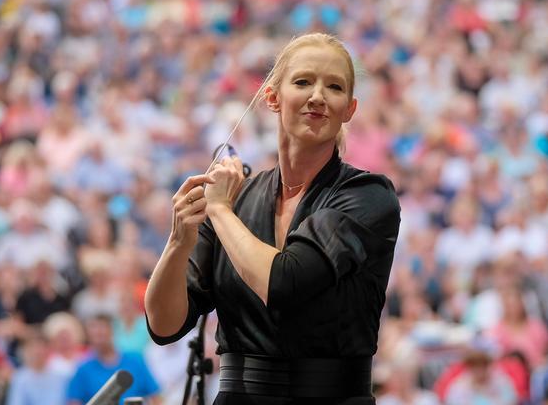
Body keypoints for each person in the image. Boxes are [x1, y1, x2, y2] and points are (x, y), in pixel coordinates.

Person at [144, 33, 401, 404]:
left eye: (334, 87)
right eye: (303, 82)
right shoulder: (238, 199)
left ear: (350, 109)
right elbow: (164, 325)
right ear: (272, 97)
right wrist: (178, 242)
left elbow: (285, 283)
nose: (317, 96)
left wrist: (218, 210)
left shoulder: (368, 196)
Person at [65, 314, 161, 405]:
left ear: (112, 331)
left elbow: (155, 396)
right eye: (94, 333)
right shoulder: (83, 369)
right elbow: (74, 401)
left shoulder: (135, 360)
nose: (98, 336)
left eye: (102, 331)